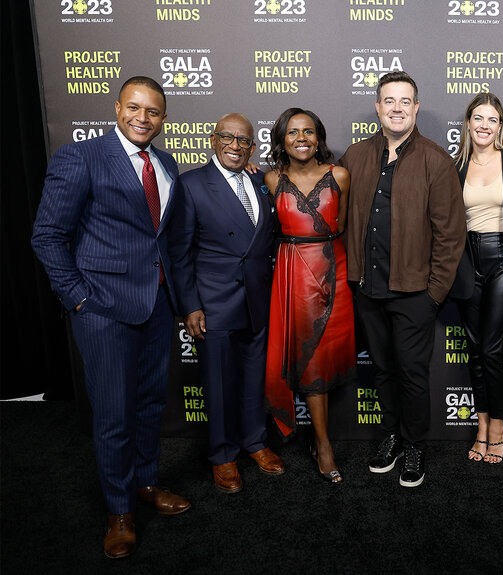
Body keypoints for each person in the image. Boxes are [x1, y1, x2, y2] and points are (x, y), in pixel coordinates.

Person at [31, 76, 190, 559]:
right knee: (113, 415)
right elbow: (47, 235)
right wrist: (79, 298)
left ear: (164, 118)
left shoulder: (164, 162)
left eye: (154, 112)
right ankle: (119, 510)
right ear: (117, 107)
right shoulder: (81, 157)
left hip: (156, 306)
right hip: (103, 309)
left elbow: (162, 239)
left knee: (147, 407)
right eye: (135, 108)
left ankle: (145, 485)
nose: (143, 118)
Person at [338, 71, 466, 487]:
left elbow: (451, 234)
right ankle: (391, 436)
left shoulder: (435, 160)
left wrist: (433, 295)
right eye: (388, 101)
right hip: (367, 288)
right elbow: (319, 189)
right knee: (382, 369)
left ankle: (414, 445)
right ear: (378, 107)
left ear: (415, 107)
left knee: (412, 373)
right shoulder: (355, 156)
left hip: (414, 293)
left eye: (404, 101)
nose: (396, 108)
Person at [168, 113, 285, 494]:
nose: (236, 146)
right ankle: (222, 455)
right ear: (213, 140)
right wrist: (190, 306)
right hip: (214, 304)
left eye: (244, 140)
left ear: (253, 147)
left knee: (254, 379)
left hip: (258, 300)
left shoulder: (260, 180)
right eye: (228, 138)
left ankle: (254, 441)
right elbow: (180, 252)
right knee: (218, 385)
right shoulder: (190, 184)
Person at [263, 108, 355, 484]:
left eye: (309, 131)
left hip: (334, 272)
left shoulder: (340, 176)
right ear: (282, 140)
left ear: (319, 137)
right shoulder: (270, 179)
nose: (301, 138)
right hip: (292, 277)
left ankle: (322, 441)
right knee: (309, 359)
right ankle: (323, 443)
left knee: (324, 356)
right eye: (292, 132)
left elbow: (344, 225)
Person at [449, 93, 503, 464]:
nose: (485, 126)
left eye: (492, 120)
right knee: (474, 349)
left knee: (491, 349)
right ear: (468, 123)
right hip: (468, 262)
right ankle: (482, 425)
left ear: (500, 126)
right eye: (478, 118)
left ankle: (499, 426)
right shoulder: (455, 166)